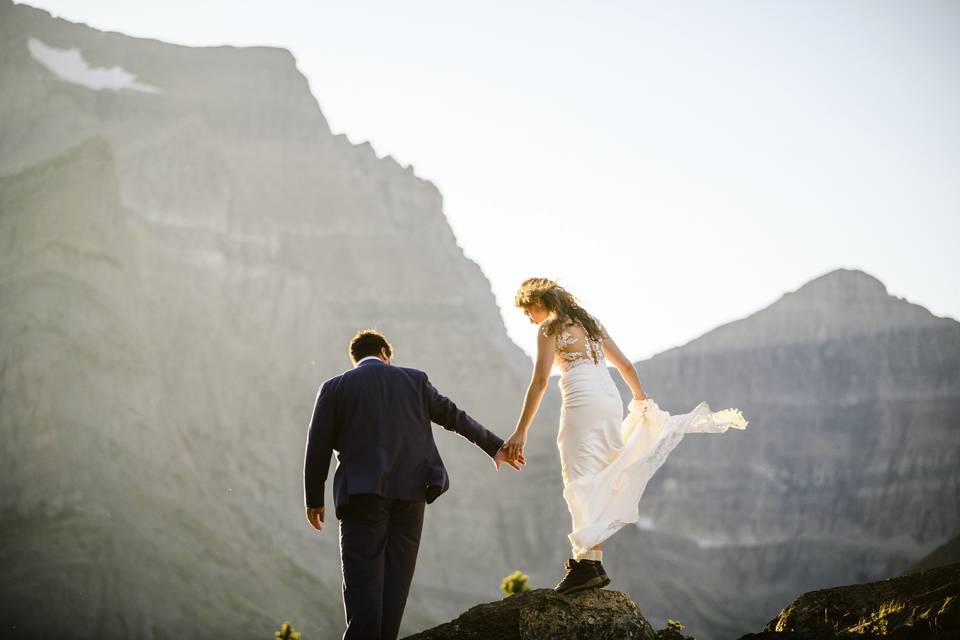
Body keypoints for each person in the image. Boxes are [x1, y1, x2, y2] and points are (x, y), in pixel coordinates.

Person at [502, 278, 747, 594]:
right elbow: (626, 365)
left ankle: (587, 564)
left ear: (539, 303)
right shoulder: (590, 323)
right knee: (599, 473)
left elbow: (539, 382)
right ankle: (589, 559)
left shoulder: (549, 328)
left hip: (583, 402)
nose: (528, 318)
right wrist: (641, 399)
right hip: (609, 400)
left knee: (579, 476)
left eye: (527, 311)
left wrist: (520, 431)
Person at [303, 329, 520, 640]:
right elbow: (453, 416)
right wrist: (495, 447)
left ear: (356, 359)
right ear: (385, 354)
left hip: (362, 496)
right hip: (411, 493)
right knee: (396, 582)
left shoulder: (335, 387)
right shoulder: (414, 381)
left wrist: (314, 499)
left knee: (363, 581)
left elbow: (318, 446)